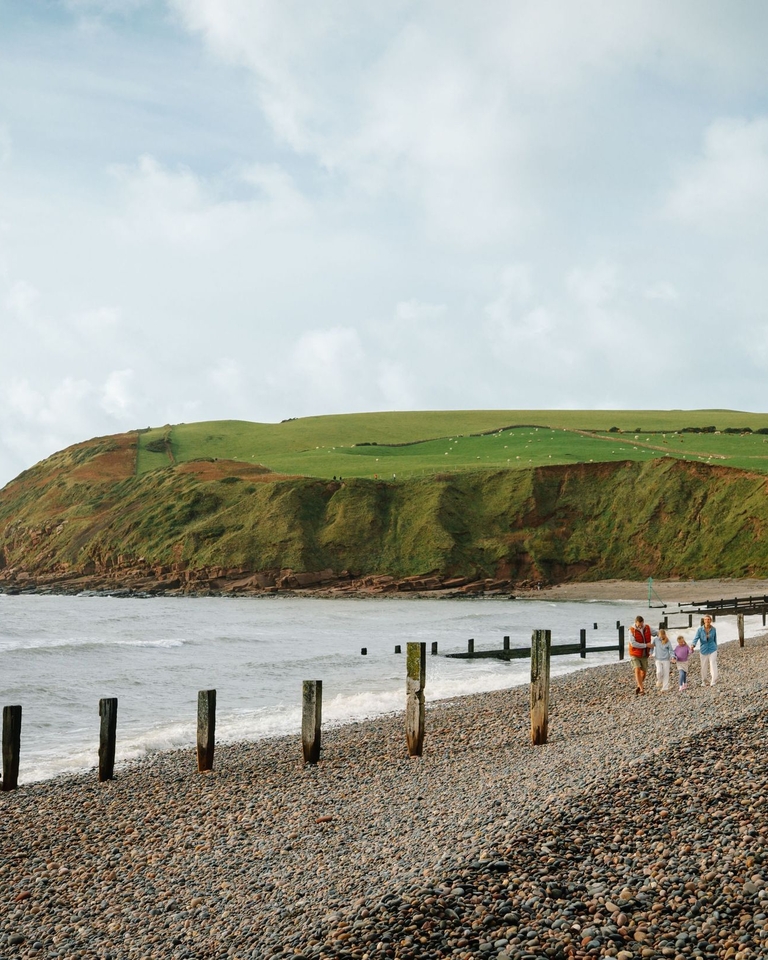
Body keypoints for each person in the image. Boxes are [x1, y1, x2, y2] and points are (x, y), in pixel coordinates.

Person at [628, 615, 654, 694]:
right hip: (634, 653)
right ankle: (642, 689)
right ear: (635, 623)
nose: (640, 626)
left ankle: (639, 686)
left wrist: (662, 636)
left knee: (644, 672)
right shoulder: (631, 630)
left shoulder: (647, 628)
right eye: (639, 625)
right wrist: (646, 645)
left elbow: (656, 633)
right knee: (637, 668)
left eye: (641, 624)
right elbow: (633, 643)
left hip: (644, 654)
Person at [691, 614, 718, 686]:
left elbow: (715, 639)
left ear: (711, 621)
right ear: (704, 621)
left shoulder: (714, 629)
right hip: (703, 650)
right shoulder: (700, 630)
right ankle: (704, 681)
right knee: (703, 666)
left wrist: (716, 647)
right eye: (706, 619)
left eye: (708, 619)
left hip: (712, 649)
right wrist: (693, 645)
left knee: (712, 663)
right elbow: (696, 638)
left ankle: (713, 680)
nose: (707, 621)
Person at [651, 627, 674, 692]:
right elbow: (652, 647)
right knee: (659, 672)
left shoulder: (667, 641)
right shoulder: (656, 640)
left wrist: (672, 657)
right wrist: (651, 653)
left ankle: (665, 687)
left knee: (666, 673)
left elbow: (671, 650)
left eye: (661, 636)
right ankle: (659, 680)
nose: (660, 637)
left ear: (664, 635)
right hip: (658, 659)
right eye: (659, 636)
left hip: (666, 659)